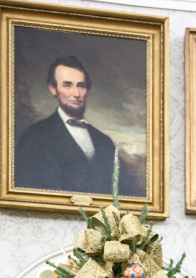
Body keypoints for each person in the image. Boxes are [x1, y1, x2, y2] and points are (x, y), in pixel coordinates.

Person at [14, 55, 142, 197]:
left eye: (81, 86)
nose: (76, 93)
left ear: (87, 90)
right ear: (53, 89)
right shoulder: (35, 136)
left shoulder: (104, 141)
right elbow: (28, 193)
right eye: (67, 85)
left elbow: (126, 193)